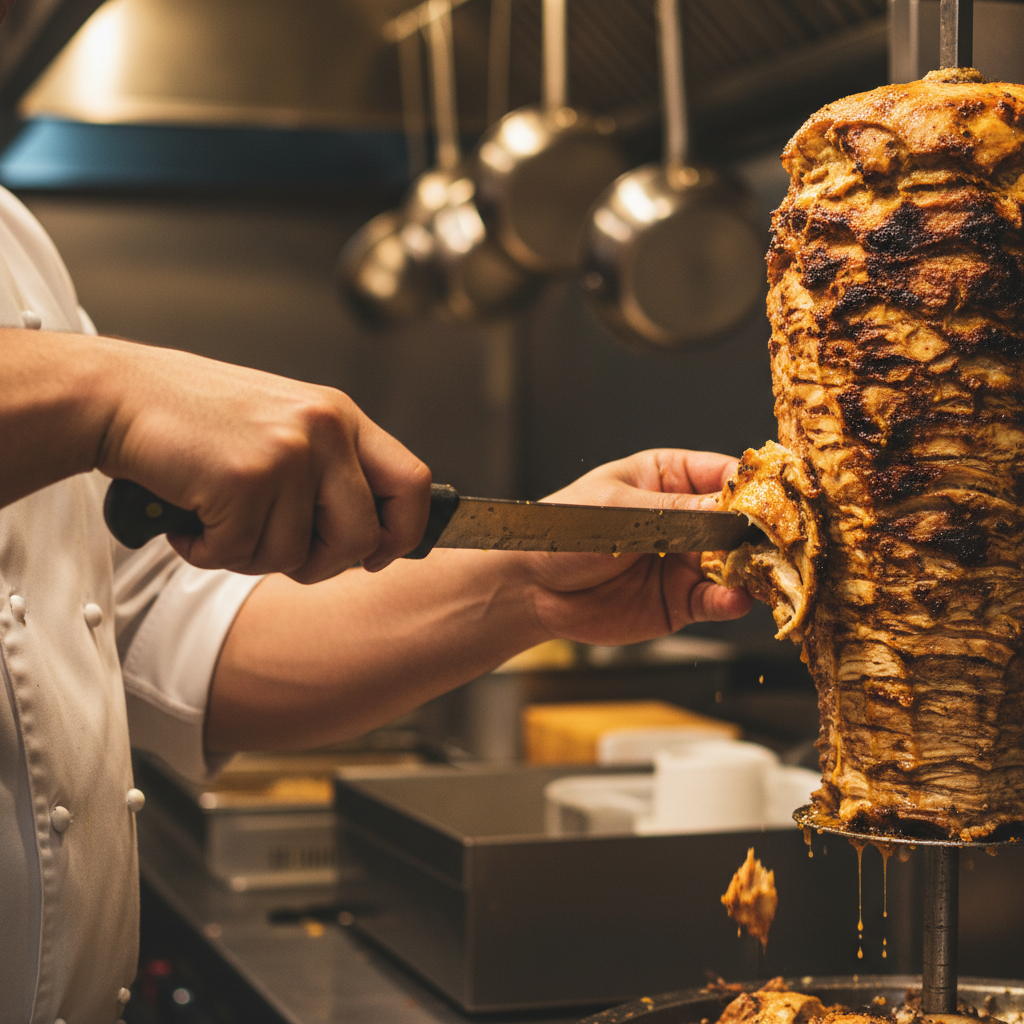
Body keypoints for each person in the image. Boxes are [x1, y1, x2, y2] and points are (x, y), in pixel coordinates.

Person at [0, 19, 749, 1024]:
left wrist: (531, 579)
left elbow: (157, 632)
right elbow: (102, 416)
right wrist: (104, 394)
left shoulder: (13, 241)